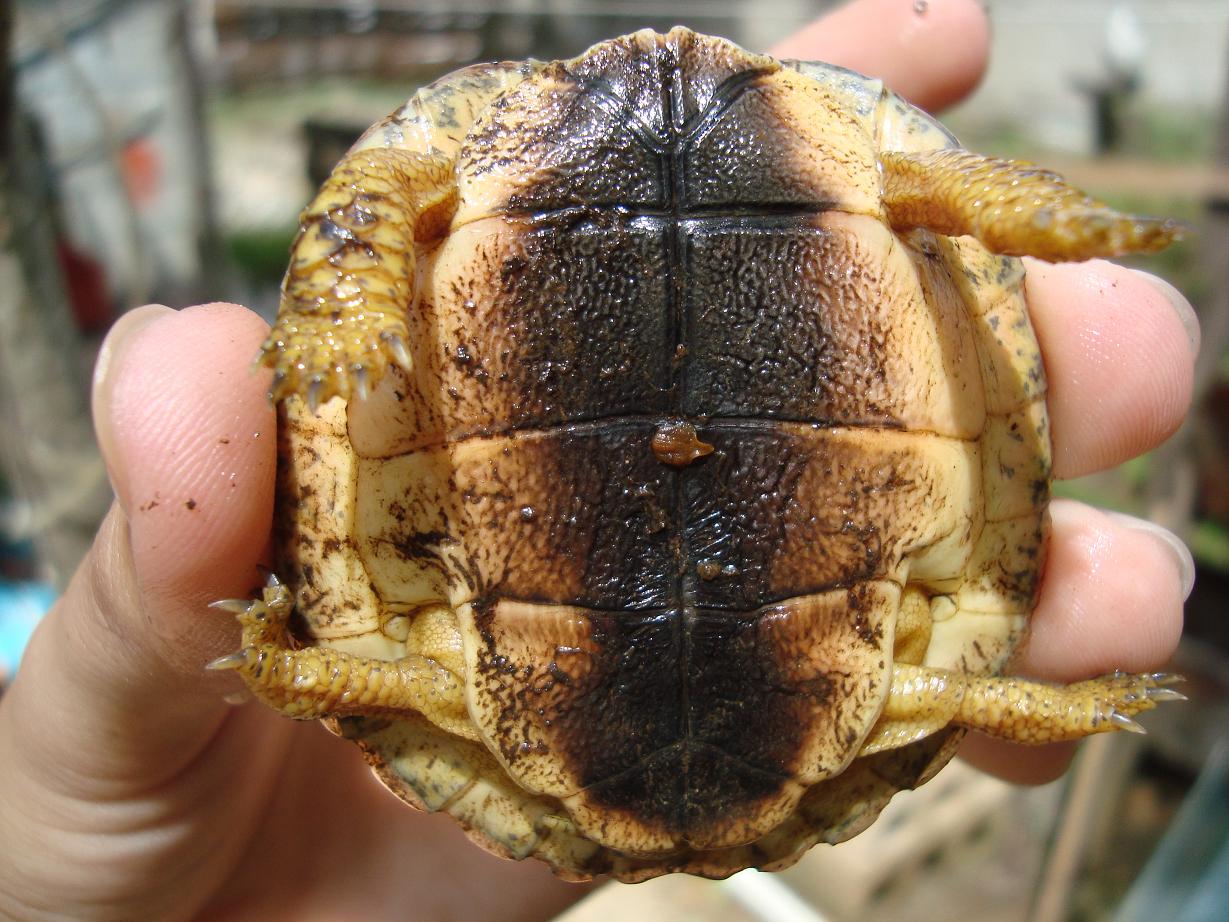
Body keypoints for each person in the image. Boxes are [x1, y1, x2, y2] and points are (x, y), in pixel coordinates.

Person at [0, 0, 1197, 917]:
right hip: (825, 686)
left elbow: (367, 216)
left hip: (547, 692)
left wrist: (349, 309)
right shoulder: (869, 168)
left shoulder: (462, 168)